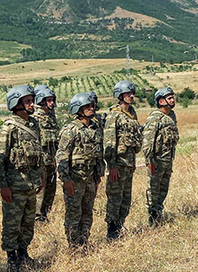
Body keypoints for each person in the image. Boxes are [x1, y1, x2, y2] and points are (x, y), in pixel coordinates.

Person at [0, 85, 45, 270]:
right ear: (16, 104)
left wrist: (41, 177)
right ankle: (11, 257)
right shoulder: (9, 128)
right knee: (12, 223)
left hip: (30, 183)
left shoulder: (34, 125)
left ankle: (23, 252)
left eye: (32, 100)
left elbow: (39, 154)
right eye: (28, 101)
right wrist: (3, 186)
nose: (32, 105)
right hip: (14, 186)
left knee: (28, 222)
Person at [57, 92, 105, 248]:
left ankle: (84, 242)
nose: (92, 108)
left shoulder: (95, 127)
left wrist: (98, 173)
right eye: (87, 106)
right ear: (78, 109)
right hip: (75, 179)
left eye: (92, 106)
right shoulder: (70, 130)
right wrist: (66, 180)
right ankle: (73, 245)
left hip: (90, 178)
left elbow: (99, 152)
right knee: (73, 214)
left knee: (87, 212)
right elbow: (62, 157)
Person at [104, 80, 142, 239]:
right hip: (118, 165)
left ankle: (119, 227)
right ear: (120, 96)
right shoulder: (114, 115)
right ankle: (112, 231)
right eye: (127, 94)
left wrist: (133, 162)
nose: (131, 96)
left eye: (132, 93)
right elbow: (109, 142)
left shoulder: (131, 113)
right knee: (115, 198)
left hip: (129, 163)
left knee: (126, 199)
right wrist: (111, 165)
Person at [141, 87, 179, 226]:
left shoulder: (172, 116)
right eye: (169, 98)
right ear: (161, 101)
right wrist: (149, 161)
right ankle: (153, 217)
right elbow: (147, 142)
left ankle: (159, 214)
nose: (172, 100)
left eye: (172, 97)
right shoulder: (154, 118)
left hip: (168, 160)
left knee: (163, 189)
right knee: (153, 190)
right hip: (156, 161)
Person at [32, 84, 59, 223]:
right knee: (39, 192)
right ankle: (37, 218)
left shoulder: (51, 117)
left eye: (52, 99)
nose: (51, 103)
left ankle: (44, 215)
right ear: (40, 101)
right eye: (48, 100)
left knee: (51, 190)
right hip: (40, 162)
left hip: (51, 161)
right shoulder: (35, 118)